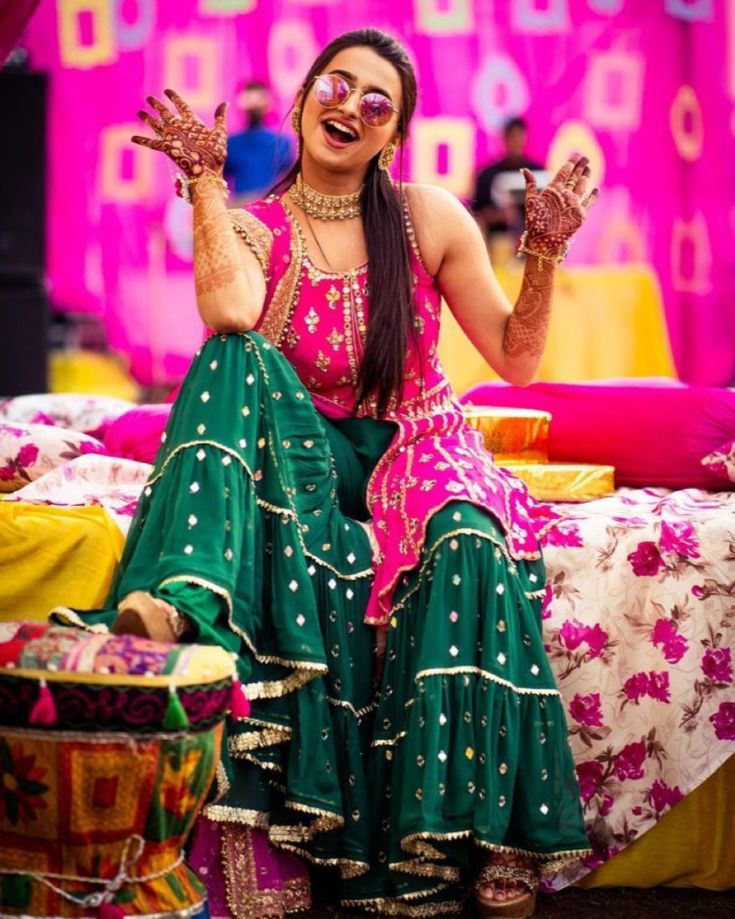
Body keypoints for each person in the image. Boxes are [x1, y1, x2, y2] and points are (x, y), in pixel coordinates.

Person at [58, 28, 598, 918]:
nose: (349, 106)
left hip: (416, 443)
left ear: (394, 134)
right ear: (306, 94)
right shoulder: (255, 225)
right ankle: (180, 597)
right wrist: (202, 185)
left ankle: (486, 836)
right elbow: (230, 313)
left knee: (466, 535)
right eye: (335, 85)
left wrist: (540, 254)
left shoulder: (427, 218)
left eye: (375, 102)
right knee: (233, 359)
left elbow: (517, 358)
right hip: (304, 459)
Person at [472, 116, 545, 242]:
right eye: (512, 136)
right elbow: (476, 215)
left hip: (531, 243)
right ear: (505, 139)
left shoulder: (538, 173)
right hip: (497, 243)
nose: (516, 141)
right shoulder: (487, 175)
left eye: (519, 136)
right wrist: (497, 215)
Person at [224, 79, 294, 204]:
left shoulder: (282, 143)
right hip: (241, 208)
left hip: (273, 205)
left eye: (259, 98)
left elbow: (289, 180)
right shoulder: (230, 143)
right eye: (249, 99)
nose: (254, 105)